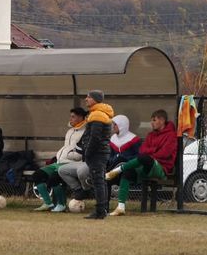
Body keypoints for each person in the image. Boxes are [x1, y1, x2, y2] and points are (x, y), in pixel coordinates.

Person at [105, 109, 178, 217]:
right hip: (145, 165)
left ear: (162, 120)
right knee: (129, 171)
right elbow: (142, 150)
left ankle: (118, 169)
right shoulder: (150, 135)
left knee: (145, 158)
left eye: (154, 120)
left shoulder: (171, 135)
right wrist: (153, 151)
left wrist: (150, 153)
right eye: (151, 120)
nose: (152, 123)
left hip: (161, 168)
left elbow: (164, 154)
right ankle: (120, 207)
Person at [62, 113, 141, 202]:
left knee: (120, 159)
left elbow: (139, 156)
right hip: (113, 168)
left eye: (115, 124)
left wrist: (123, 157)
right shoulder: (113, 139)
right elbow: (109, 155)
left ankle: (98, 177)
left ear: (122, 125)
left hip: (128, 168)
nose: (113, 127)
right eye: (113, 124)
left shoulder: (134, 139)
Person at [33, 107, 88, 212]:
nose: (70, 119)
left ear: (81, 117)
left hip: (72, 164)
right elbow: (67, 147)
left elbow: (82, 153)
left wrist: (69, 155)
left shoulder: (86, 132)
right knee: (37, 175)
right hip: (59, 162)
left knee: (54, 178)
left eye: (73, 117)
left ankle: (61, 204)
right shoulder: (70, 131)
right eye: (70, 116)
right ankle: (48, 203)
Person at [79, 90, 114, 219]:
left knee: (98, 181)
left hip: (97, 153)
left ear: (95, 99)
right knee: (101, 181)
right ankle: (103, 209)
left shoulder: (97, 115)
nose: (86, 99)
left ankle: (100, 211)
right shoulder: (100, 113)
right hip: (102, 152)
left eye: (88, 97)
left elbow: (95, 137)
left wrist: (87, 152)